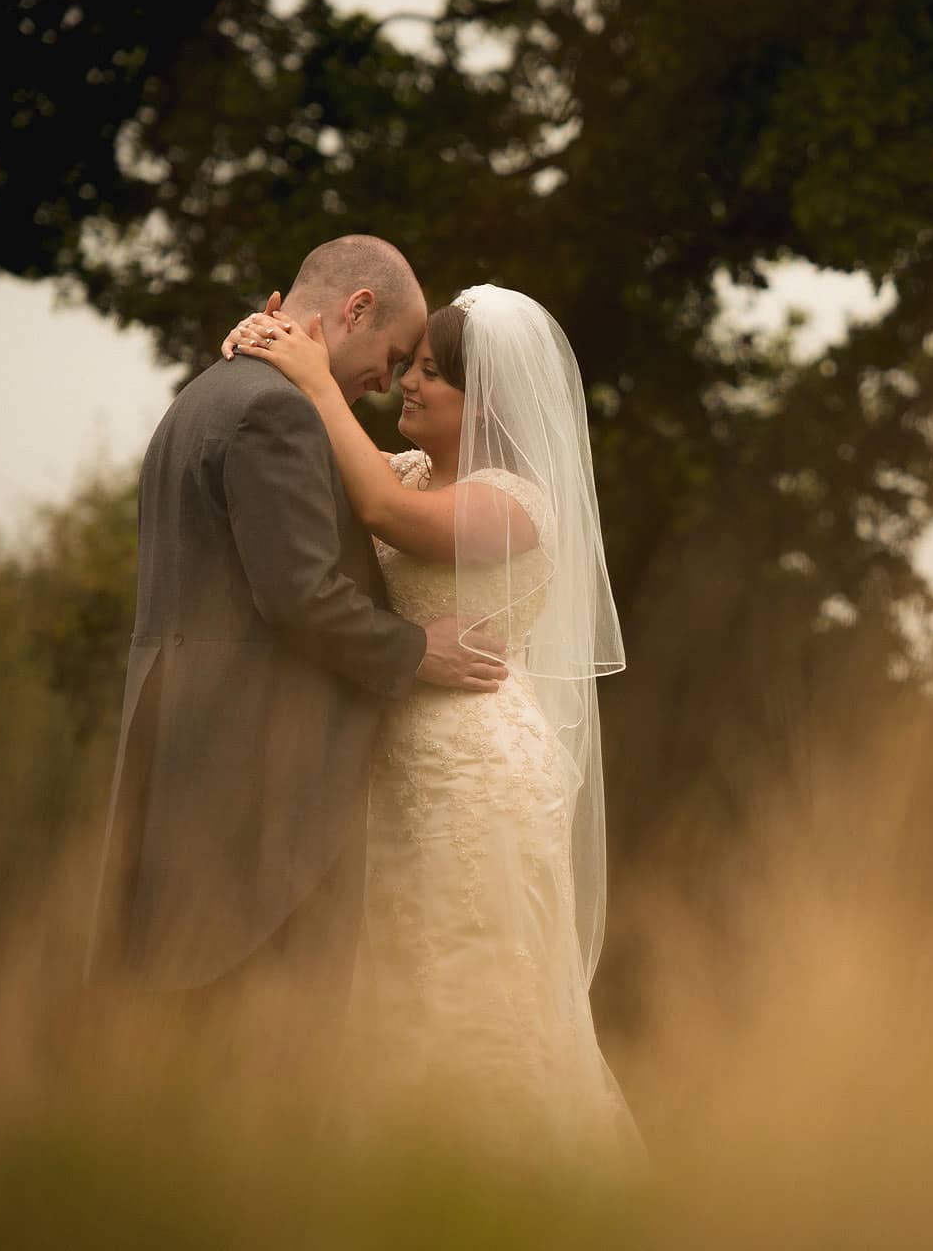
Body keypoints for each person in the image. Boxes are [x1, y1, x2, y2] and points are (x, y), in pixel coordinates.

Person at [223, 282, 644, 1170]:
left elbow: (382, 514)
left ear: (484, 401)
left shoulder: (519, 503)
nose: (407, 384)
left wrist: (318, 383)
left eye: (429, 373)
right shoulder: (410, 468)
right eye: (408, 367)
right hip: (406, 764)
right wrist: (277, 342)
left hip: (479, 772)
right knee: (400, 994)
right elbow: (332, 474)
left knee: (475, 991)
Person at [86, 236, 507, 1103]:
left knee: (185, 1046)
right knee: (265, 1063)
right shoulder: (274, 410)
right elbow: (301, 595)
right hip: (262, 782)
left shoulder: (204, 395)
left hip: (183, 762)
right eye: (389, 356)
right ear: (353, 311)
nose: (388, 385)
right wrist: (417, 648)